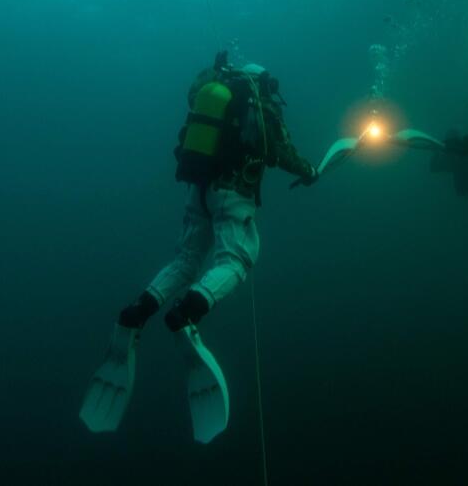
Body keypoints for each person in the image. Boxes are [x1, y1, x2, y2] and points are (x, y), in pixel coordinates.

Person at [118, 53, 319, 333]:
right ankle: (186, 313)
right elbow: (279, 152)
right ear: (263, 83)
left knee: (186, 260)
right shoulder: (259, 105)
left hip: (197, 189)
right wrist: (309, 171)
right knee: (235, 260)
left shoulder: (215, 100)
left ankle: (137, 311)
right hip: (232, 193)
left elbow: (193, 104)